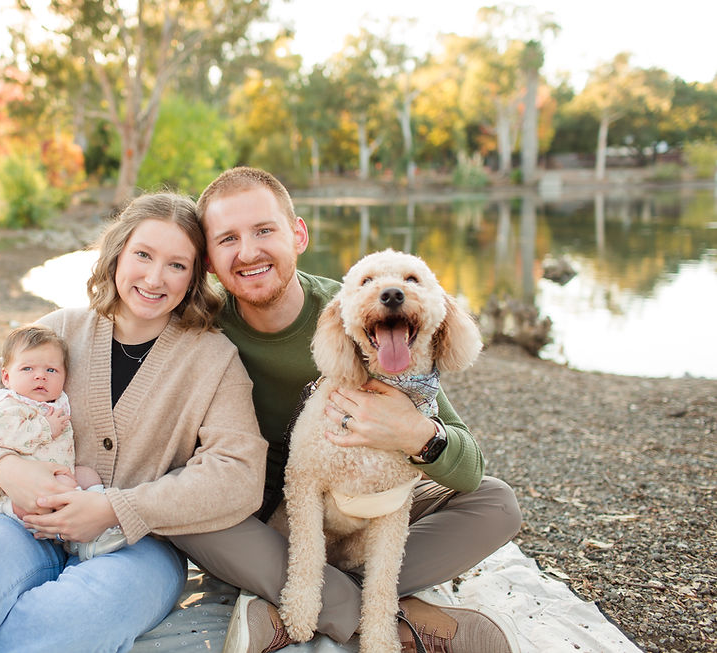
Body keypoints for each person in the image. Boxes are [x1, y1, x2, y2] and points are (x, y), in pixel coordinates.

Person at [0, 193, 268, 653]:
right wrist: (6, 470)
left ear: (195, 276)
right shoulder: (60, 328)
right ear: (116, 255)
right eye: (143, 255)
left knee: (76, 620)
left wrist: (118, 508)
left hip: (139, 545)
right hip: (22, 520)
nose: (155, 278)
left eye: (177, 265)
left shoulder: (213, 359)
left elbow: (238, 473)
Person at [167, 167, 524, 653]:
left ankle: (298, 601)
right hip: (254, 516)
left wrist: (415, 433)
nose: (248, 252)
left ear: (298, 234)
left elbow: (467, 465)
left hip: (360, 508)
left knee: (495, 502)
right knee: (187, 511)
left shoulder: (365, 308)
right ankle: (391, 619)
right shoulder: (199, 330)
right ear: (208, 259)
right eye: (227, 238)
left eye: (264, 230)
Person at [0, 323, 125, 560]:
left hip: (63, 473)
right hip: (24, 487)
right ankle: (72, 539)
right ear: (6, 377)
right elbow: (3, 436)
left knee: (87, 475)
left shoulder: (57, 402)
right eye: (27, 368)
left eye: (51, 371)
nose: (40, 376)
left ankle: (99, 527)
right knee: (61, 493)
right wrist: (45, 429)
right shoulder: (6, 403)